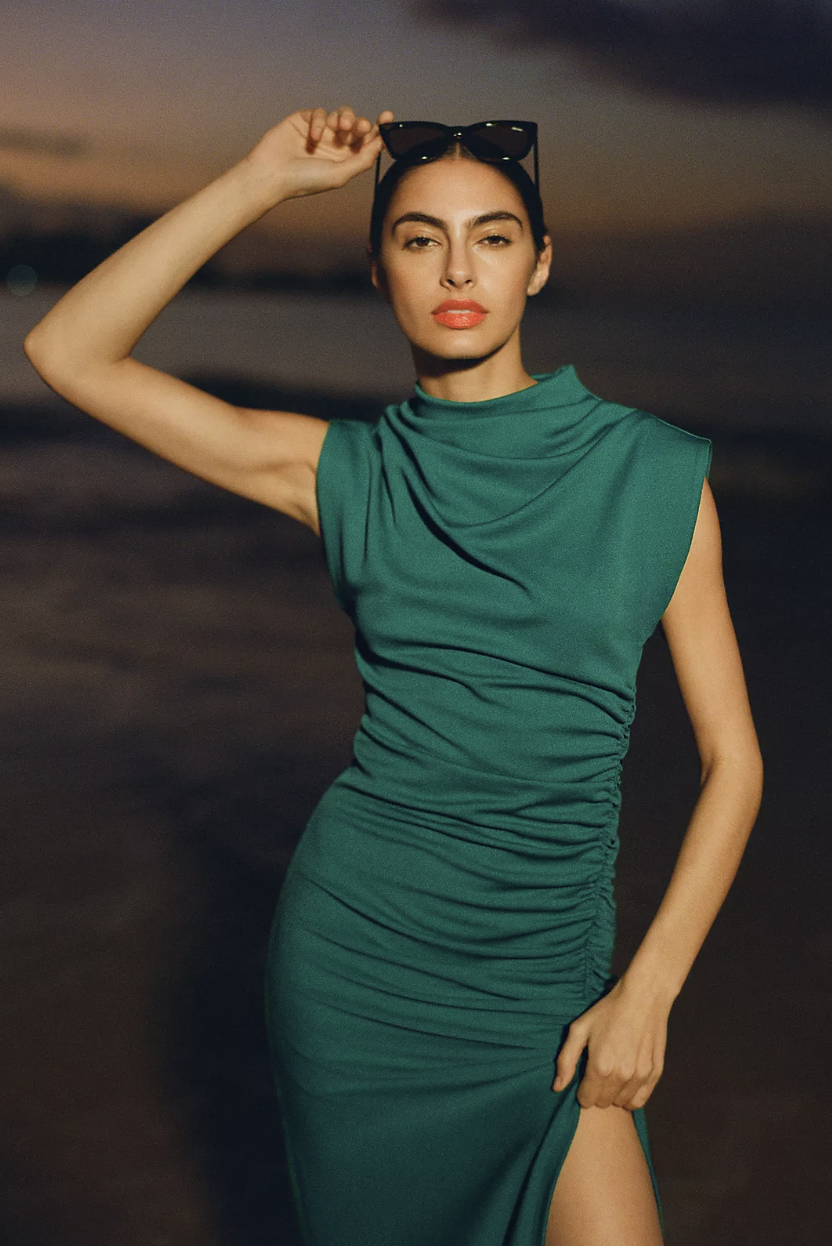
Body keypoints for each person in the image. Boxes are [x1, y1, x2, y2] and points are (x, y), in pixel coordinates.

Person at [24, 105, 764, 1246]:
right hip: (362, 967)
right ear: (378, 271)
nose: (458, 267)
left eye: (494, 236)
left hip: (550, 978)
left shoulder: (652, 471)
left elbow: (733, 762)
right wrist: (260, 178)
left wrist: (650, 986)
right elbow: (65, 352)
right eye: (419, 239)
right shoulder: (341, 471)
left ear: (541, 262)